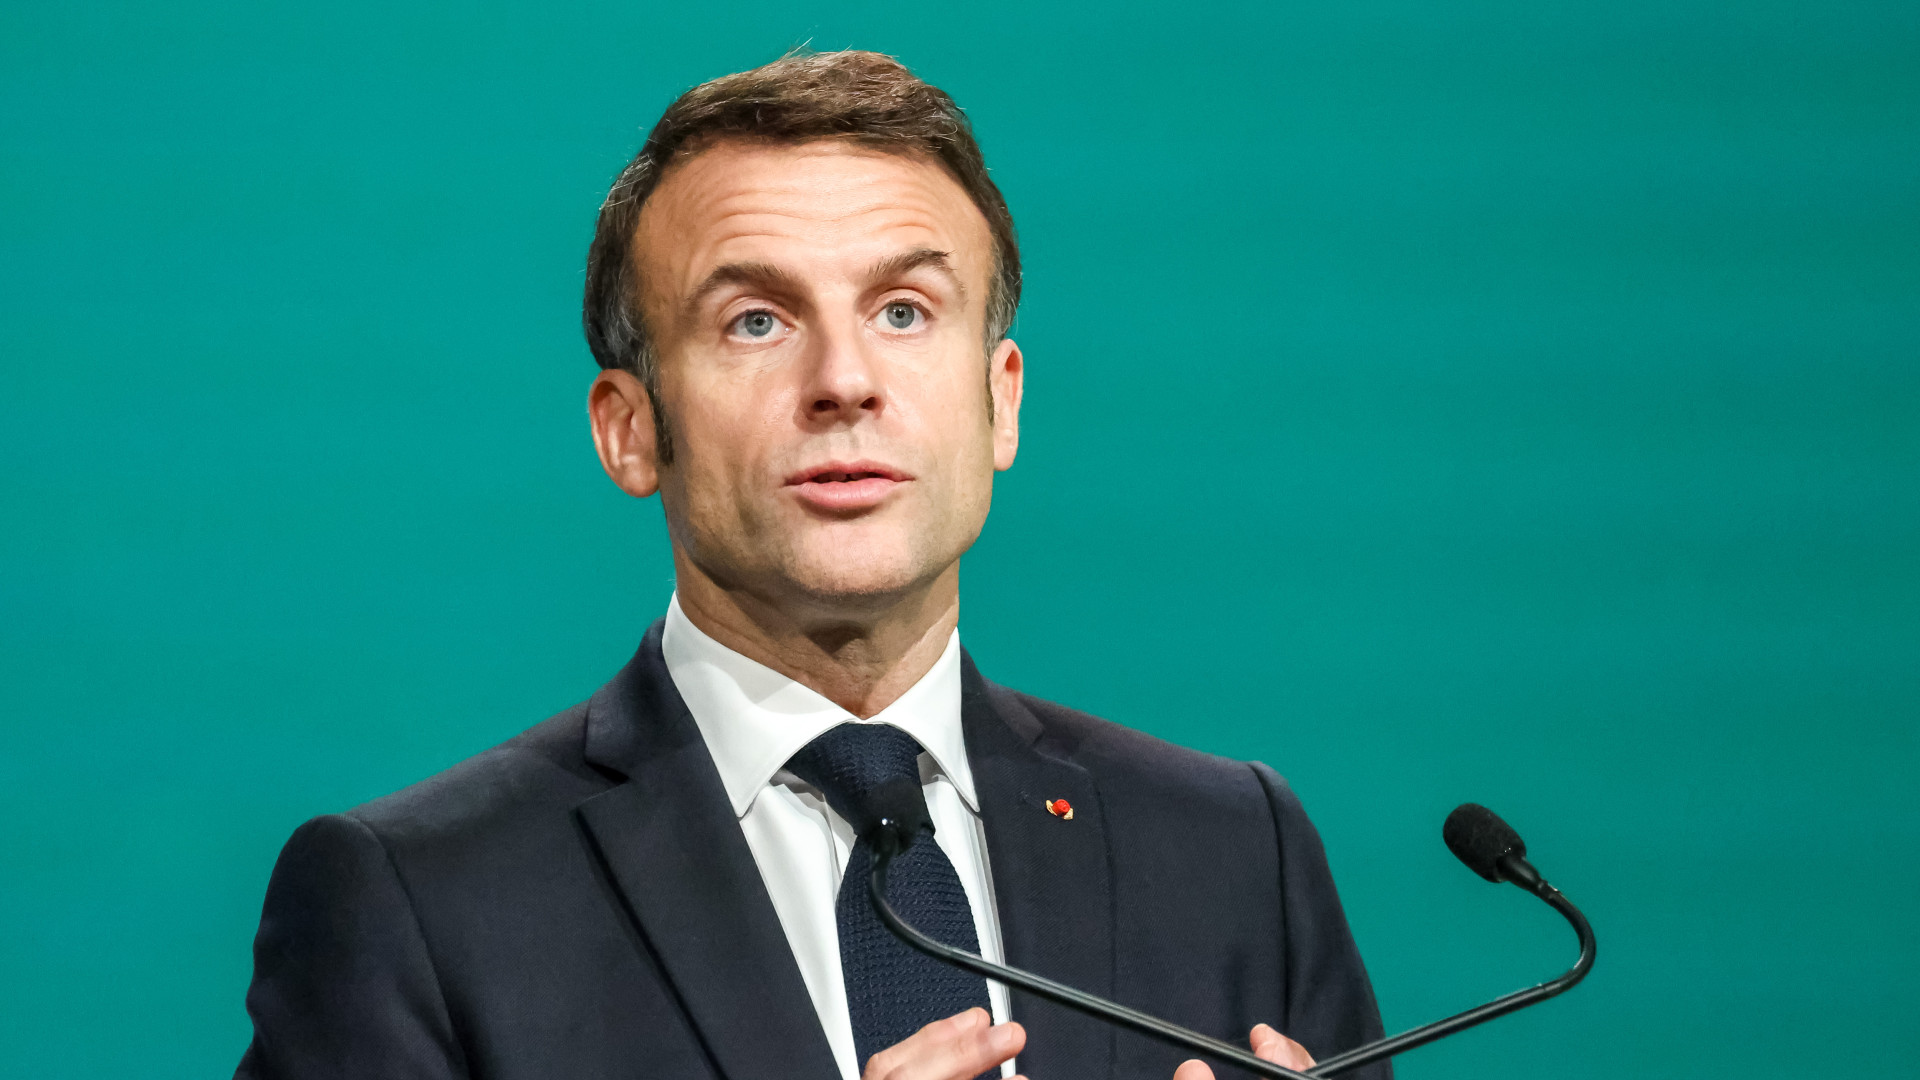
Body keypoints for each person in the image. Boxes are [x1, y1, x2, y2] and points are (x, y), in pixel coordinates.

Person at [234, 50, 1389, 1080]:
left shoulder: (1234, 851)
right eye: (756, 321)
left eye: (905, 310)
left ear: (1000, 402)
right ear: (630, 430)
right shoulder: (419, 904)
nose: (844, 380)